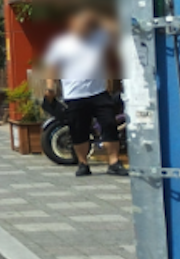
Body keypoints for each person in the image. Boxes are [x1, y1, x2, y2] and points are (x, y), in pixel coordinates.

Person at [43, 10, 126, 177]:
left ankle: (114, 162)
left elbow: (116, 29)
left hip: (99, 93)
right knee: (78, 130)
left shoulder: (99, 38)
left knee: (109, 124)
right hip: (74, 95)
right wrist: (50, 88)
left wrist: (99, 18)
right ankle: (83, 163)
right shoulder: (62, 45)